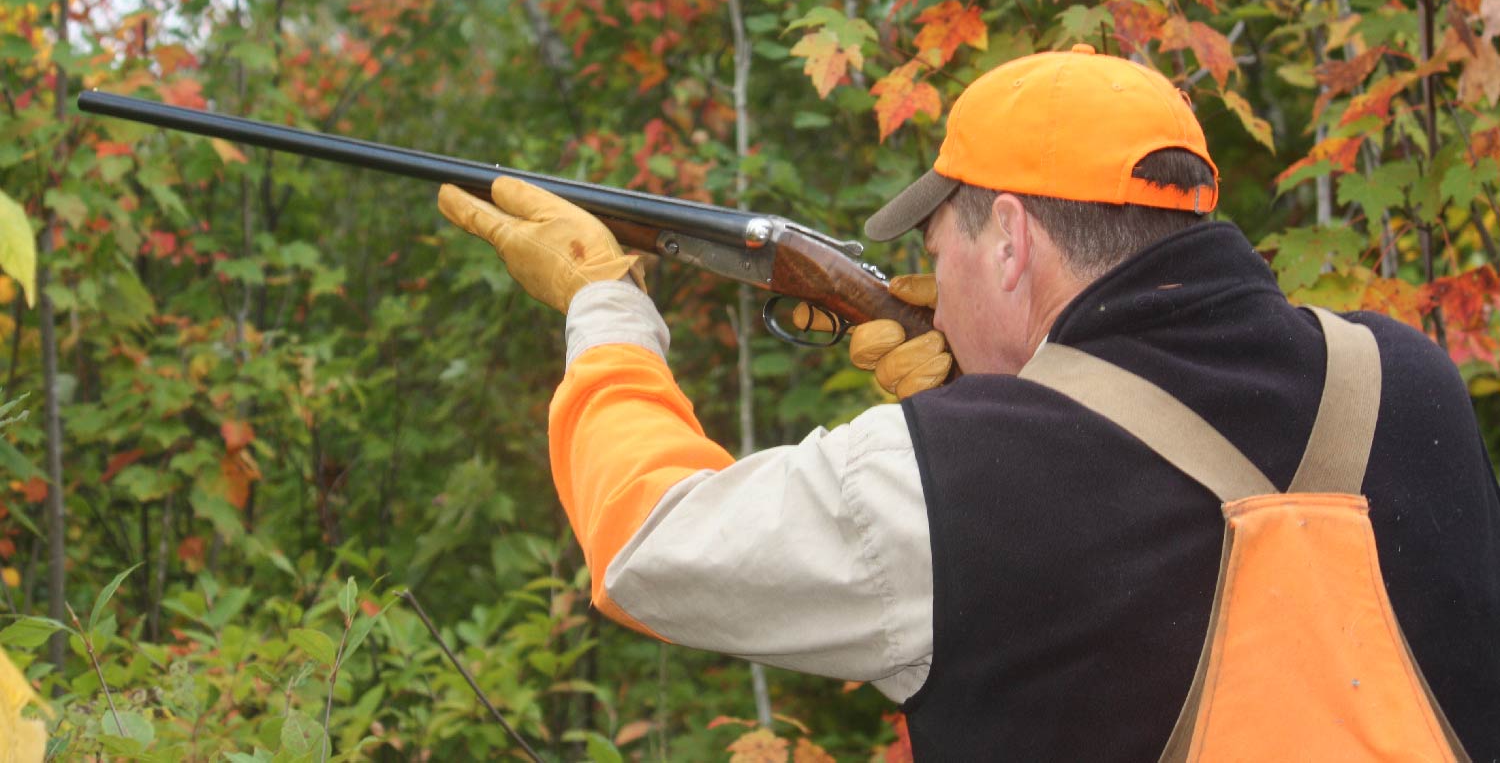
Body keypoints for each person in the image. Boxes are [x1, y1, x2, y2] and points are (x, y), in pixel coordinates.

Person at [439, 45, 1500, 761]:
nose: (929, 283)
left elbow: (646, 549)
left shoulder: (940, 477)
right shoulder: (1410, 378)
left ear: (1011, 241)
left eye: (939, 248)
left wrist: (605, 309)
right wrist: (1001, 400)